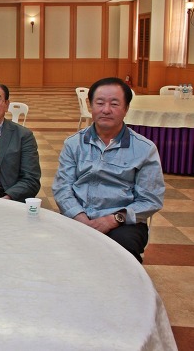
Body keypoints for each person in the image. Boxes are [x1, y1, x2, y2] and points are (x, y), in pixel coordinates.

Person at [52, 77, 165, 263]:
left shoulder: (144, 149)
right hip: (78, 216)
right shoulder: (73, 144)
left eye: (114, 104)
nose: (106, 110)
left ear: (126, 108)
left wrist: (113, 219)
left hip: (122, 222)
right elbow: (62, 188)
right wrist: (80, 218)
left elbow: (150, 200)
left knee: (122, 251)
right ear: (90, 106)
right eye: (100, 103)